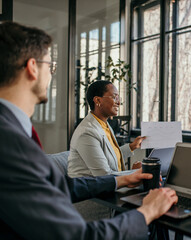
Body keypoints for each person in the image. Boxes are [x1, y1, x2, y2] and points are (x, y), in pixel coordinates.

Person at [0, 21, 177, 239]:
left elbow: (55, 186)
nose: (51, 74)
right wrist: (147, 212)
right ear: (33, 67)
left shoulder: (12, 129)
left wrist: (121, 179)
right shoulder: (10, 142)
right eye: (51, 66)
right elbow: (77, 235)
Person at [68, 80, 144, 178]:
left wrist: (132, 146)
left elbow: (109, 155)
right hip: (93, 191)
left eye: (118, 97)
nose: (119, 102)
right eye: (114, 97)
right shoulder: (87, 132)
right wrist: (133, 173)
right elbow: (104, 176)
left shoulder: (103, 124)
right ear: (98, 100)